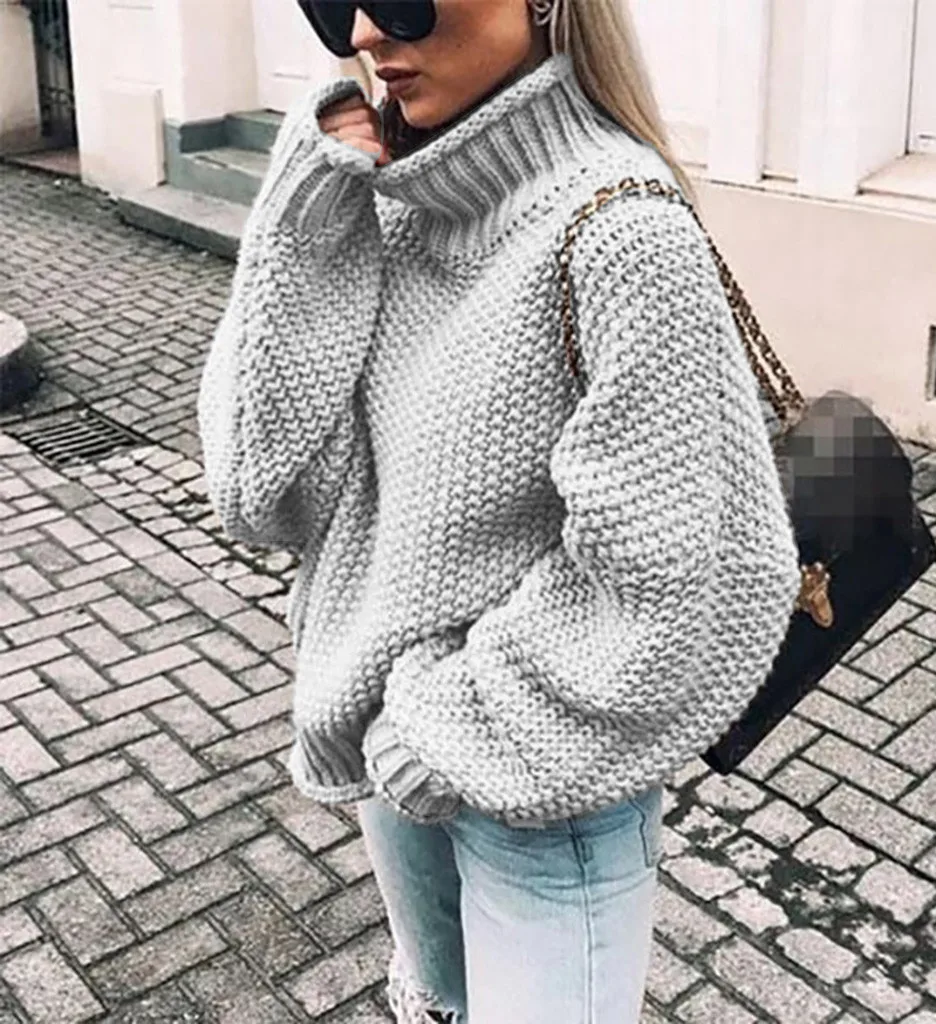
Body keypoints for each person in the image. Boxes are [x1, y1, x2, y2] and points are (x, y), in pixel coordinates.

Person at [196, 1, 801, 1020]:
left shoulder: (623, 232)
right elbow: (260, 490)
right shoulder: (397, 202)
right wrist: (306, 217)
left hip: (547, 791)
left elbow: (674, 578)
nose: (364, 32)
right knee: (436, 1005)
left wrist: (445, 725)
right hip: (395, 745)